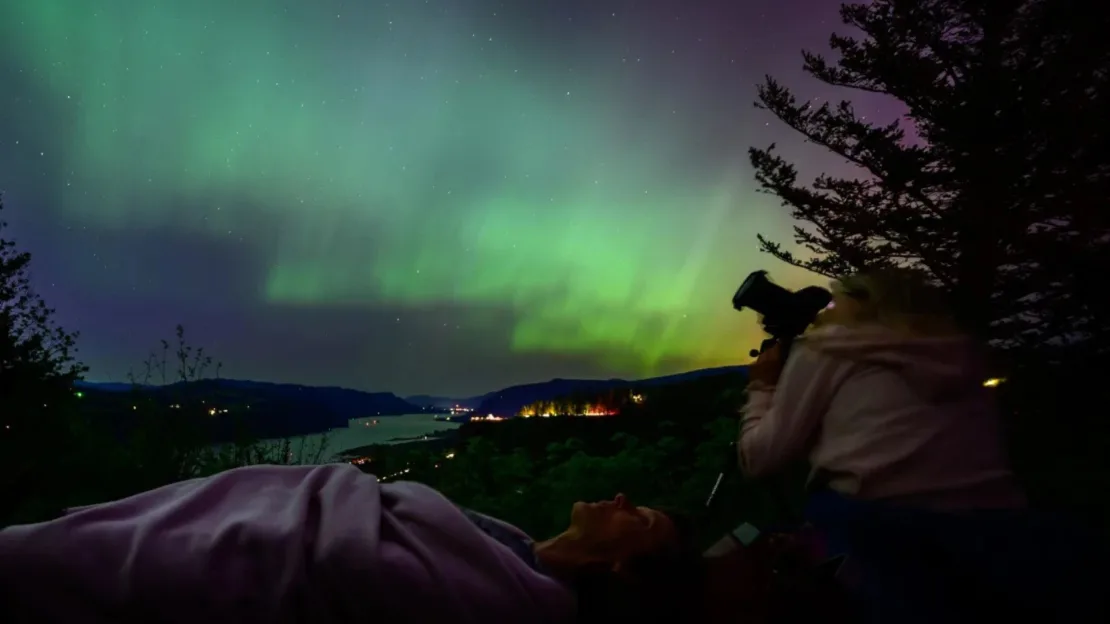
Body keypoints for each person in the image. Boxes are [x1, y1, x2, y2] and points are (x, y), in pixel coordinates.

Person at [737, 268, 1108, 622]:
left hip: (878, 526)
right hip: (1003, 528)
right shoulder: (960, 353)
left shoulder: (828, 349)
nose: (824, 314)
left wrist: (763, 385)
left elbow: (759, 458)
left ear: (866, 305)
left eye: (835, 304)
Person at [0, 463, 702, 623]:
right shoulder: (517, 550)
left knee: (37, 563)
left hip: (246, 550)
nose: (621, 499)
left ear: (618, 565)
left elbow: (345, 562)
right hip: (260, 515)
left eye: (636, 519)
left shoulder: (508, 601)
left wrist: (336, 496)